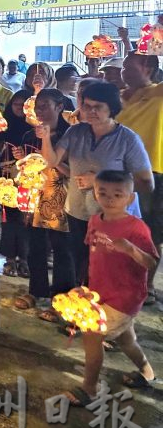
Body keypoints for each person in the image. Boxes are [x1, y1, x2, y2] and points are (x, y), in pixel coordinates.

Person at [39, 82, 153, 287]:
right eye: (87, 105)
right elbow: (52, 161)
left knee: (105, 269)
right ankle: (81, 312)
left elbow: (146, 183)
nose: (91, 111)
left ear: (111, 107)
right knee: (80, 266)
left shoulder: (127, 139)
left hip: (109, 217)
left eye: (98, 106)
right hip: (76, 212)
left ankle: (104, 313)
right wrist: (45, 138)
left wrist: (99, 179)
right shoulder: (76, 132)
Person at [62, 170, 159, 407]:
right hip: (100, 293)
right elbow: (93, 255)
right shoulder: (95, 220)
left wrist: (131, 250)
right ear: (95, 194)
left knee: (92, 337)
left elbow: (152, 262)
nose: (109, 199)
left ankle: (89, 389)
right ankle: (147, 373)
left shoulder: (137, 228)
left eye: (118, 194)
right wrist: (84, 286)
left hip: (125, 297)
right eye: (102, 192)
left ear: (130, 198)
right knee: (127, 340)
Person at [13, 88, 75, 318]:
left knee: (62, 250)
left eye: (46, 105)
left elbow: (72, 172)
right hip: (35, 198)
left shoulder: (71, 135)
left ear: (60, 107)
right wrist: (23, 159)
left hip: (62, 199)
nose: (40, 110)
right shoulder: (30, 136)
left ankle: (60, 300)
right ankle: (35, 291)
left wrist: (51, 160)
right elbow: (28, 169)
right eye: (38, 106)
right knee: (35, 248)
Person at [118, 53, 163, 303]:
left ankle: (147, 284)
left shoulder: (158, 94)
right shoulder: (120, 97)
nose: (123, 71)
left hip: (152, 172)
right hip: (119, 173)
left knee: (149, 232)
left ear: (148, 67)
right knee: (121, 229)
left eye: (128, 66)